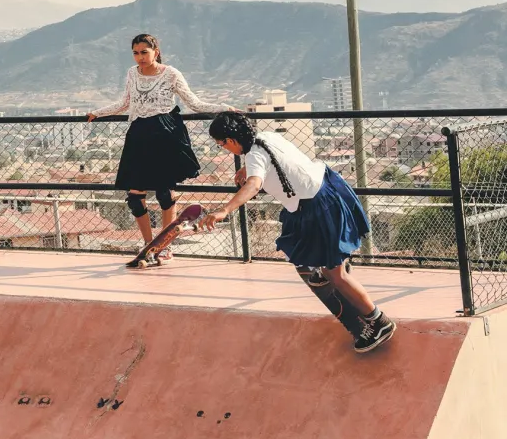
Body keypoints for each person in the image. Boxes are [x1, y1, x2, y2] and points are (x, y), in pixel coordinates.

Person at [198, 111, 395, 353]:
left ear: (231, 139)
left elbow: (254, 184)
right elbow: (276, 163)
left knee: (337, 275)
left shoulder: (254, 156)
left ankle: (378, 322)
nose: (224, 149)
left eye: (222, 144)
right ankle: (327, 265)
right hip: (327, 187)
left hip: (317, 205)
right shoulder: (266, 137)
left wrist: (225, 209)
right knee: (300, 241)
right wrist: (248, 171)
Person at [87, 33, 233, 255]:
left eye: (144, 52)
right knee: (135, 196)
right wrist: (97, 113)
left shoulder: (171, 74)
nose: (140, 57)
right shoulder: (131, 74)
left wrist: (225, 108)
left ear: (156, 51)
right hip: (138, 135)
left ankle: (165, 246)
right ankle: (149, 245)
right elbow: (125, 102)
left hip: (165, 135)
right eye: (135, 53)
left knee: (165, 193)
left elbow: (194, 103)